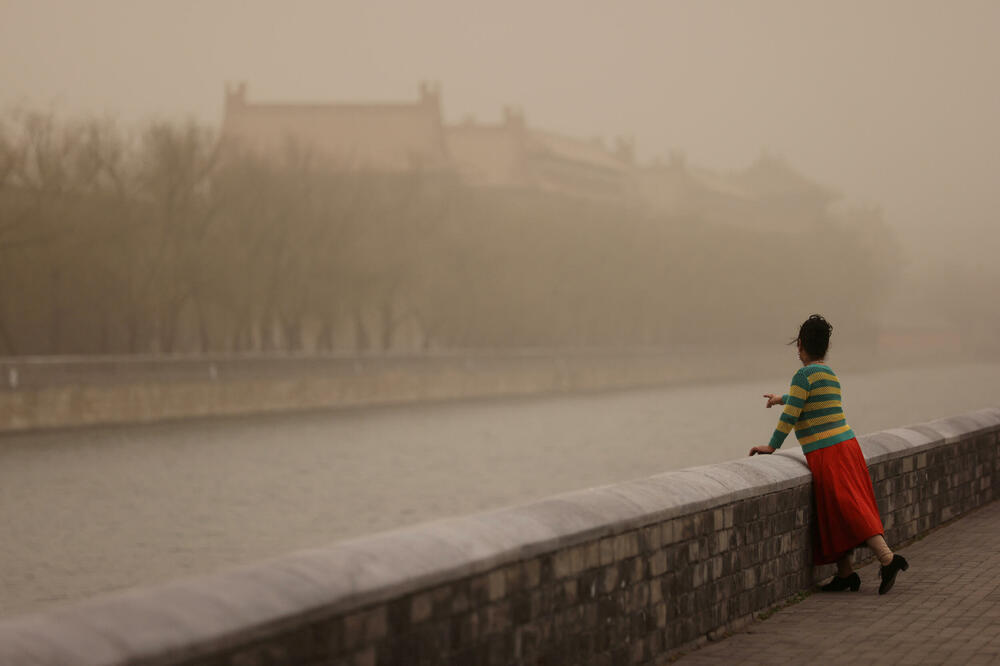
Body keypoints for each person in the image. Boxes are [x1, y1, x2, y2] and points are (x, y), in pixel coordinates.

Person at [749, 314, 908, 594]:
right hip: (847, 445)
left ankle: (888, 558)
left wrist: (772, 445)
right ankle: (845, 574)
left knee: (849, 507)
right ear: (826, 346)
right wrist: (781, 398)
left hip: (828, 451)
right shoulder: (829, 374)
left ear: (800, 345)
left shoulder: (802, 375)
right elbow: (804, 399)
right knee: (835, 511)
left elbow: (793, 413)